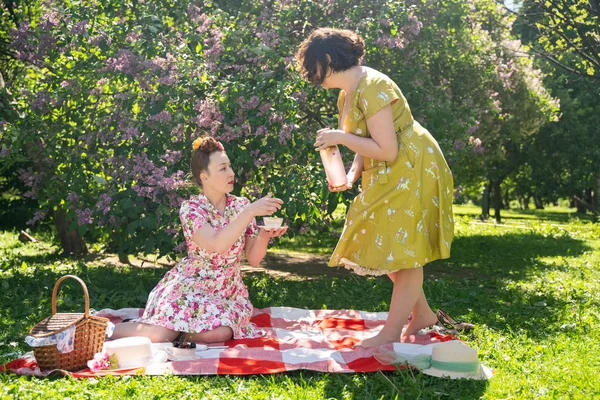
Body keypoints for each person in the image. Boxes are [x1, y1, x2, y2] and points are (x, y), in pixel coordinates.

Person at [296, 28, 455, 347]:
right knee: (384, 246)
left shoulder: (373, 86)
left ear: (327, 59)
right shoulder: (348, 92)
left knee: (405, 253)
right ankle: (421, 314)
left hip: (411, 167)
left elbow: (387, 149)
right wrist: (352, 173)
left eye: (312, 66)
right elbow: (366, 143)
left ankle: (389, 333)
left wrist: (339, 138)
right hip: (386, 171)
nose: (311, 76)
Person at [112, 136, 287, 343]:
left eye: (230, 167)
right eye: (223, 169)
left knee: (220, 333)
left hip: (227, 293)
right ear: (204, 177)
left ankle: (176, 332)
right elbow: (216, 244)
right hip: (190, 288)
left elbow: (254, 259)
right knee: (159, 335)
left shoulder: (241, 206)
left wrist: (264, 236)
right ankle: (104, 330)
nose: (231, 173)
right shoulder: (192, 209)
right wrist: (249, 213)